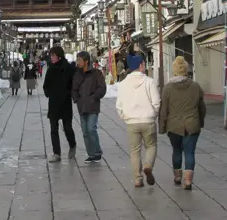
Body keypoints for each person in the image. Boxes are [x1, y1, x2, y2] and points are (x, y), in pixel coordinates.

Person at [159, 56, 205, 190]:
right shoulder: (195, 86)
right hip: (192, 124)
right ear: (186, 70)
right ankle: (188, 180)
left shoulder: (167, 88)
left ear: (174, 71)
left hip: (174, 126)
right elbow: (201, 107)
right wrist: (200, 122)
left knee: (177, 150)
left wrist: (162, 127)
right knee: (190, 152)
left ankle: (178, 176)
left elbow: (164, 110)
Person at [116, 54, 160, 187]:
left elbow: (119, 105)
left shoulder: (123, 84)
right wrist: (153, 114)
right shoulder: (149, 81)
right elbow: (157, 102)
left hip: (131, 122)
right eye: (144, 64)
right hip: (148, 120)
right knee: (151, 145)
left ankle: (137, 179)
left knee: (135, 150)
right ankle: (148, 165)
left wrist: (125, 116)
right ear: (140, 65)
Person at [42, 46, 77, 163]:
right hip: (53, 103)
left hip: (65, 102)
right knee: (53, 129)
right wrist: (49, 93)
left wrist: (68, 93)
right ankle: (56, 153)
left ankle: (72, 145)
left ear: (59, 56)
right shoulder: (51, 69)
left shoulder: (68, 68)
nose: (51, 57)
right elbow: (45, 85)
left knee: (67, 128)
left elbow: (74, 84)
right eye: (50, 55)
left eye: (53, 55)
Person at [72, 51, 107, 163]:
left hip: (93, 105)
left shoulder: (96, 73)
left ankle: (97, 152)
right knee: (85, 131)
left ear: (86, 61)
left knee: (91, 128)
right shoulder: (77, 74)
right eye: (77, 60)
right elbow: (74, 89)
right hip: (82, 106)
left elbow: (102, 88)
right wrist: (76, 99)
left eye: (80, 60)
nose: (78, 62)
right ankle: (92, 153)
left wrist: (94, 97)